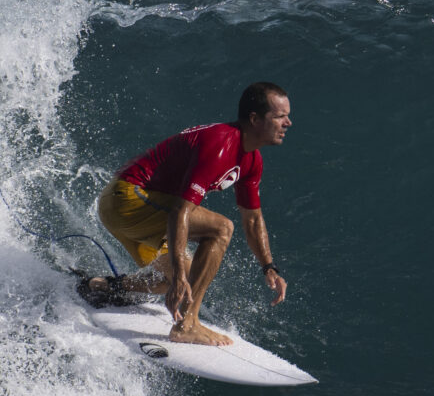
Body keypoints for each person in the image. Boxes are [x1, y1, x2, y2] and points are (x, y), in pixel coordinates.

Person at [78, 81, 291, 347]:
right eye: (280, 116)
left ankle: (102, 287)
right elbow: (180, 212)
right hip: (128, 199)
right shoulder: (220, 144)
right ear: (255, 119)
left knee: (187, 279)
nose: (288, 123)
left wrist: (269, 267)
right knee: (221, 229)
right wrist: (179, 274)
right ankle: (187, 325)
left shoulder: (251, 161)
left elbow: (253, 219)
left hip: (135, 210)